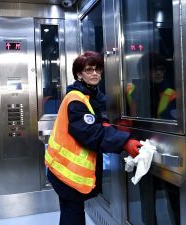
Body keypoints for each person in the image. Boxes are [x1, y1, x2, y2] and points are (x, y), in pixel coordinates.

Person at [45, 51, 142, 225]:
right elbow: (91, 133)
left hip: (65, 168)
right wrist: (124, 142)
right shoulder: (76, 100)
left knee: (72, 213)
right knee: (73, 216)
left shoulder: (92, 95)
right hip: (65, 170)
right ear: (79, 74)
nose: (95, 73)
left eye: (98, 69)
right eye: (89, 70)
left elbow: (98, 120)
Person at [126, 53, 177, 120]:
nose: (158, 72)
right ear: (144, 71)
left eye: (161, 69)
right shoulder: (132, 90)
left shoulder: (171, 94)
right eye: (154, 69)